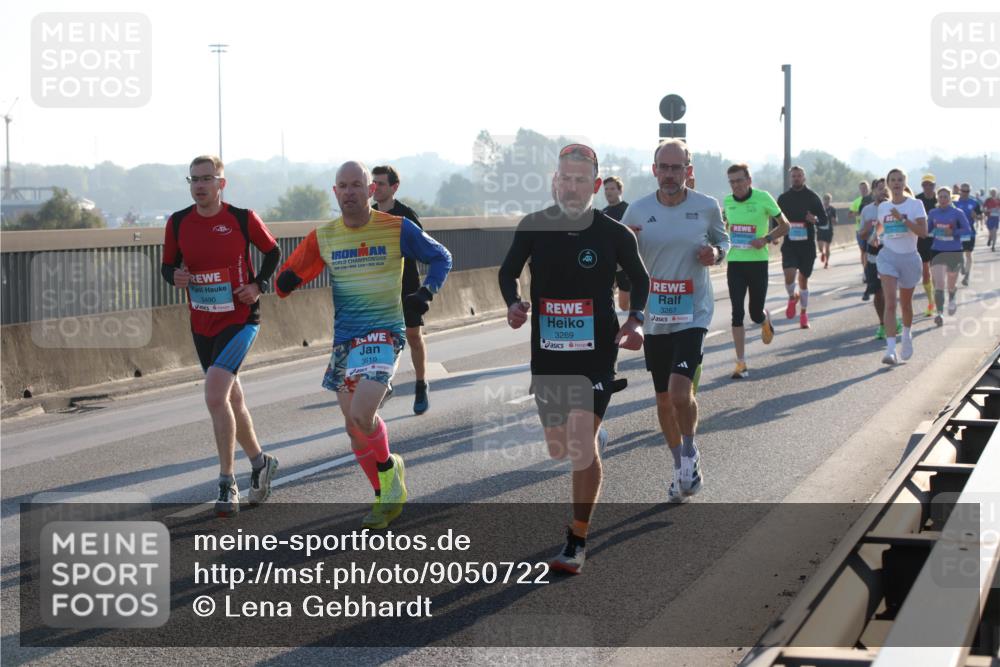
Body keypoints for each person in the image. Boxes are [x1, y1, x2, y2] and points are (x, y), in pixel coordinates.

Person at [276, 161, 453, 529]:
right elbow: (287, 279)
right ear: (335, 192)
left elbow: (441, 256)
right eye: (344, 186)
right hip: (346, 341)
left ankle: (390, 469)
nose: (351, 192)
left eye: (358, 185)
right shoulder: (323, 236)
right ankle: (383, 495)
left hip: (384, 335)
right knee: (354, 429)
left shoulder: (397, 228)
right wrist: (287, 281)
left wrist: (426, 291)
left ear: (370, 191)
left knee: (362, 413)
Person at [498, 144, 648, 574]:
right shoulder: (533, 227)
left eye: (582, 179)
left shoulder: (615, 235)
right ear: (554, 181)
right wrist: (513, 302)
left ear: (596, 186)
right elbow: (507, 272)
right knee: (558, 447)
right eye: (565, 177)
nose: (572, 186)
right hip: (547, 355)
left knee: (581, 447)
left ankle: (577, 539)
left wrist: (635, 320)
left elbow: (640, 280)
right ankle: (591, 437)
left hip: (597, 353)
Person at [161, 155, 282, 517]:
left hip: (242, 319)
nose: (199, 186)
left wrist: (258, 285)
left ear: (221, 184)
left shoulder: (242, 218)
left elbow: (273, 251)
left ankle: (226, 481)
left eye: (206, 179)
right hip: (202, 323)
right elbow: (168, 266)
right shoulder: (178, 222)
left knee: (215, 394)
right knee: (231, 398)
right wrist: (175, 277)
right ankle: (261, 463)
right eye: (193, 180)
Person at [621, 139, 729, 503]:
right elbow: (618, 256)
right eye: (663, 168)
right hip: (654, 316)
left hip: (693, 312)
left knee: (682, 391)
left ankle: (689, 450)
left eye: (677, 168)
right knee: (664, 400)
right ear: (654, 170)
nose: (670, 175)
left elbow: (723, 242)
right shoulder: (636, 211)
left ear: (689, 171)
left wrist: (715, 253)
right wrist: (627, 247)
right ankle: (681, 464)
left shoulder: (707, 207)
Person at [371, 165, 432, 414]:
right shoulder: (369, 215)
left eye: (381, 183)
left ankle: (421, 384)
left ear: (394, 187)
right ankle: (385, 385)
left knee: (413, 337)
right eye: (373, 183)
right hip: (380, 291)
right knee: (382, 340)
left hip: (407, 288)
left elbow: (425, 249)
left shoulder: (406, 216)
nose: (375, 188)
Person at [722, 163, 789, 379]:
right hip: (736, 263)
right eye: (732, 181)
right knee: (737, 313)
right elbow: (726, 228)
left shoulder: (763, 198)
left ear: (749, 180)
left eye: (740, 180)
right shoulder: (728, 202)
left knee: (754, 312)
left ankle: (764, 320)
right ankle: (740, 363)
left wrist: (767, 238)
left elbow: (785, 225)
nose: (736, 185)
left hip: (758, 263)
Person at [875, 169, 927, 365]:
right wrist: (875, 235)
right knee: (890, 303)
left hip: (910, 258)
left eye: (900, 180)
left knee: (905, 305)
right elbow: (881, 225)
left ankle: (906, 335)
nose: (896, 183)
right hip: (888, 256)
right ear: (888, 183)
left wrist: (903, 219)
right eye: (893, 180)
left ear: (905, 182)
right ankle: (890, 351)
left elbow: (923, 232)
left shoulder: (915, 205)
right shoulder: (883, 207)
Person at [778, 166, 828, 329]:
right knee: (789, 276)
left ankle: (804, 313)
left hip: (807, 246)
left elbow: (824, 221)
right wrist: (774, 236)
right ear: (790, 178)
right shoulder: (783, 198)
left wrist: (814, 219)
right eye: (794, 176)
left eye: (799, 176)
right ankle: (793, 297)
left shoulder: (813, 197)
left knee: (803, 281)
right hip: (790, 244)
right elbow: (775, 218)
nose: (796, 178)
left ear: (804, 178)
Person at [927, 187, 973, 326]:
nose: (943, 199)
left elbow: (967, 230)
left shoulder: (957, 213)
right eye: (940, 197)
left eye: (945, 197)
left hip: (954, 251)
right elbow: (928, 230)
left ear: (950, 198)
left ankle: (952, 296)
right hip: (937, 251)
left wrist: (953, 232)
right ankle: (939, 313)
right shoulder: (933, 212)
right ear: (937, 198)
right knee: (939, 284)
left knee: (951, 284)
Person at [859, 178, 897, 340]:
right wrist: (866, 230)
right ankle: (882, 324)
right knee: (878, 293)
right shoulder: (867, 210)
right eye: (879, 189)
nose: (882, 192)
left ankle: (893, 319)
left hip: (891, 253)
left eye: (885, 189)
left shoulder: (895, 208)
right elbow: (861, 234)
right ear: (873, 191)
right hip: (873, 254)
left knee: (889, 292)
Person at [602, 175, 632, 311]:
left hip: (625, 264)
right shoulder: (603, 213)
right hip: (607, 263)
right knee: (604, 301)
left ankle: (639, 320)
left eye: (612, 188)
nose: (609, 192)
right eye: (606, 189)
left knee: (624, 306)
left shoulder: (629, 210)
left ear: (620, 191)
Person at [914, 174, 939, 318]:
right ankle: (931, 302)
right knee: (925, 272)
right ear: (922, 186)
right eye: (925, 185)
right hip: (922, 240)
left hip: (938, 240)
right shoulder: (917, 200)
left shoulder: (940, 199)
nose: (928, 187)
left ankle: (937, 299)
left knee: (936, 272)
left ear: (934, 186)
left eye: (930, 185)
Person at [953, 183, 982, 286]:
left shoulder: (974, 202)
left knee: (968, 254)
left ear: (970, 191)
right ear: (960, 190)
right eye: (963, 191)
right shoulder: (954, 202)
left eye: (967, 191)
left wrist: (976, 216)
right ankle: (962, 267)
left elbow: (980, 217)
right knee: (959, 254)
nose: (965, 193)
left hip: (969, 233)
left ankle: (967, 276)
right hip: (957, 233)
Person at [850, 181, 872, 286]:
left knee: (871, 251)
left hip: (872, 230)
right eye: (862, 188)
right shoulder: (856, 201)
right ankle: (865, 272)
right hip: (860, 230)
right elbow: (849, 214)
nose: (864, 190)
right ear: (860, 190)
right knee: (863, 252)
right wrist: (859, 213)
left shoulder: (873, 199)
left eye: (866, 188)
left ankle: (874, 271)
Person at [818, 192, 837, 269]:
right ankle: (822, 253)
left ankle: (826, 262)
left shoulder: (832, 209)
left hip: (829, 230)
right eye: (825, 199)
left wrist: (834, 220)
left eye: (828, 199)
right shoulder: (819, 208)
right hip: (820, 229)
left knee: (827, 247)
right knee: (820, 247)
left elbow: (835, 221)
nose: (826, 201)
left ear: (830, 200)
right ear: (823, 200)